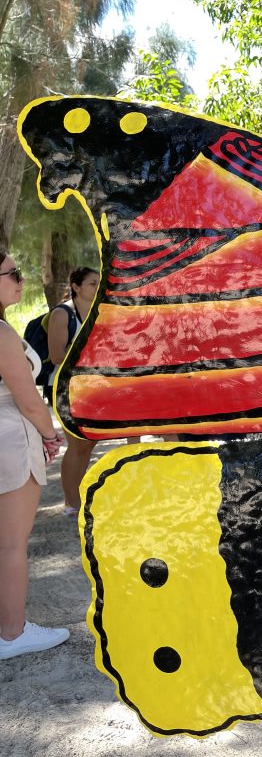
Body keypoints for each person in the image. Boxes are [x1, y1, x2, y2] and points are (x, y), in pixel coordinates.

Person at [0, 250, 70, 659]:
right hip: (10, 437)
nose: (21, 281)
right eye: (13, 274)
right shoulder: (2, 335)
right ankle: (12, 633)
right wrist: (50, 435)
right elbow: (29, 401)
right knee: (11, 544)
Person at [47, 267, 99, 516]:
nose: (97, 287)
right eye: (92, 283)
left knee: (88, 444)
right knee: (77, 445)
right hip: (65, 387)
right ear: (76, 287)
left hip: (91, 388)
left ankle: (77, 498)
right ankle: (70, 503)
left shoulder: (98, 312)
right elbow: (56, 355)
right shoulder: (62, 313)